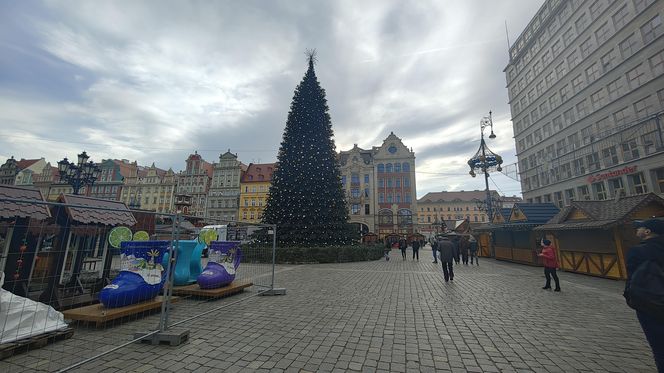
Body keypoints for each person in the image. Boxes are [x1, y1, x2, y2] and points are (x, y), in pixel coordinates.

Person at [625, 218, 664, 372]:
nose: (637, 230)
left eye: (640, 227)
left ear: (647, 232)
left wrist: (630, 297)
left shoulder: (638, 251)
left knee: (660, 347)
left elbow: (632, 278)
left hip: (649, 304)